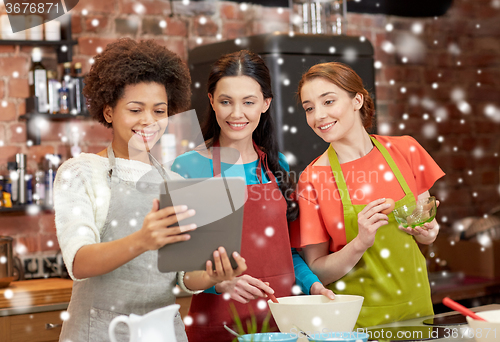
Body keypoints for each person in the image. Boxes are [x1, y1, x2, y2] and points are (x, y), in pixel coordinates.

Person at [54, 39, 247, 342]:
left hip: (161, 334)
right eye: (135, 109)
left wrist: (213, 275)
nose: (149, 121)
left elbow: (185, 276)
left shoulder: (173, 179)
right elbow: (79, 262)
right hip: (98, 333)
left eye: (159, 111)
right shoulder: (80, 172)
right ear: (108, 112)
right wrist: (142, 240)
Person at [172, 50, 334, 341]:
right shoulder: (189, 166)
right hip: (220, 326)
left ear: (265, 103)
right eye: (225, 101)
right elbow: (181, 271)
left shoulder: (276, 165)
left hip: (282, 324)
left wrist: (313, 285)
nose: (237, 114)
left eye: (248, 102)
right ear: (211, 101)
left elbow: (288, 254)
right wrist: (219, 283)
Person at [291, 62, 445, 328]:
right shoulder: (312, 179)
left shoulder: (406, 150)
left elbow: (426, 225)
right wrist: (359, 242)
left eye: (328, 101)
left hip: (418, 310)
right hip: (359, 322)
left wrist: (430, 232)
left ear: (357, 100)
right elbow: (316, 270)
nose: (318, 116)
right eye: (309, 108)